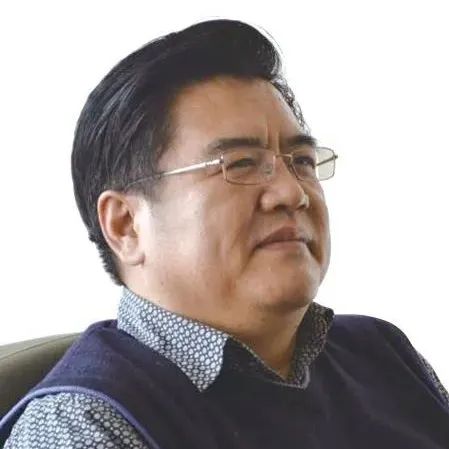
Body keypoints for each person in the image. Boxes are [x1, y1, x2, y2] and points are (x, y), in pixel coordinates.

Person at [1, 18, 448, 449]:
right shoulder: (85, 427)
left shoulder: (382, 355)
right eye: (241, 164)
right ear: (126, 225)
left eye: (302, 162)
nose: (292, 193)